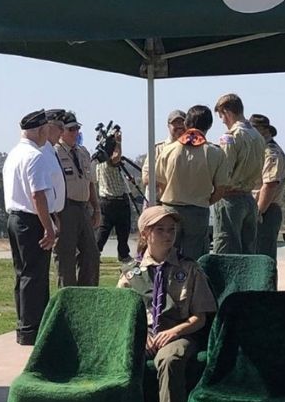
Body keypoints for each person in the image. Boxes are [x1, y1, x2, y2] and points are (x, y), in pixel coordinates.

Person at [117, 206, 217, 402]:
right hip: (142, 335)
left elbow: (200, 317)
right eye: (160, 230)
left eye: (171, 230)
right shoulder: (131, 274)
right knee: (120, 360)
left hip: (178, 333)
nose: (167, 235)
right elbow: (120, 314)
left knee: (170, 359)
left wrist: (174, 332)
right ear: (145, 233)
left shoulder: (189, 269)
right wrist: (141, 337)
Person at [2, 109, 64, 346]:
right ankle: (32, 328)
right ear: (39, 131)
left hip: (15, 218)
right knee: (35, 275)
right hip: (31, 219)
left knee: (23, 274)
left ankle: (25, 325)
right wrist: (48, 226)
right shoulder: (34, 156)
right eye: (46, 130)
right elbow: (38, 194)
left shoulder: (14, 154)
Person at [144, 106, 224, 264]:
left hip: (170, 208)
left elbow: (159, 183)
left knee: (167, 254)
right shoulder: (215, 153)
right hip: (198, 211)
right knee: (195, 259)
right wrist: (204, 201)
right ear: (209, 125)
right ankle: (192, 287)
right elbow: (220, 189)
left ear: (186, 124)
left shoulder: (168, 150)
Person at [211, 93, 267, 255]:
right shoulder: (257, 136)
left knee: (226, 250)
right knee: (248, 252)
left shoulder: (231, 137)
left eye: (222, 116)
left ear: (227, 112)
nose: (222, 121)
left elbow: (224, 170)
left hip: (230, 198)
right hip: (249, 199)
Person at [54, 113, 101, 287]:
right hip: (65, 208)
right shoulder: (55, 153)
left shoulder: (83, 152)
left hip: (83, 208)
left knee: (92, 254)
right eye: (70, 129)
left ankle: (87, 295)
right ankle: (67, 296)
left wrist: (96, 209)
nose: (75, 132)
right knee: (66, 256)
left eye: (77, 128)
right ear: (61, 131)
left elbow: (89, 183)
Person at [94, 127, 140, 264]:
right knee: (109, 230)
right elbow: (115, 158)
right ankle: (104, 252)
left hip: (107, 200)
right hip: (115, 200)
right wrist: (119, 142)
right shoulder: (108, 161)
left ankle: (115, 253)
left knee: (116, 230)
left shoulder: (98, 163)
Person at [250, 114, 285, 259]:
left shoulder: (271, 152)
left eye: (254, 129)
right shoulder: (260, 150)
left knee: (263, 258)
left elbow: (270, 185)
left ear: (265, 130)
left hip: (266, 210)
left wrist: (258, 213)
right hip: (261, 209)